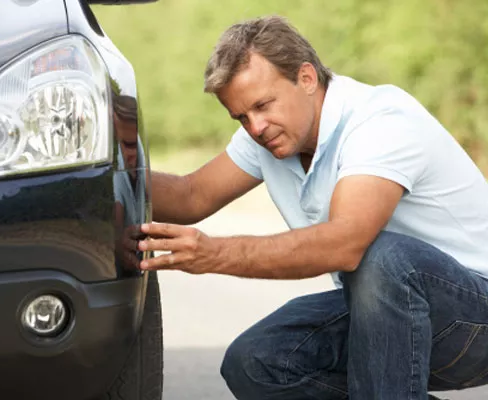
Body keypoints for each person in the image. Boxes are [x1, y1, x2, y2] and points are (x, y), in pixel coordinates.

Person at [136, 15, 488, 400]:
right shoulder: (267, 135)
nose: (255, 127)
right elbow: (191, 195)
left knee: (383, 257)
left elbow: (345, 243)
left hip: (474, 315)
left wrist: (213, 252)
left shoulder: (379, 120)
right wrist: (110, 174)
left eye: (262, 105)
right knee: (257, 361)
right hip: (389, 314)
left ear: (306, 78)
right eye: (241, 117)